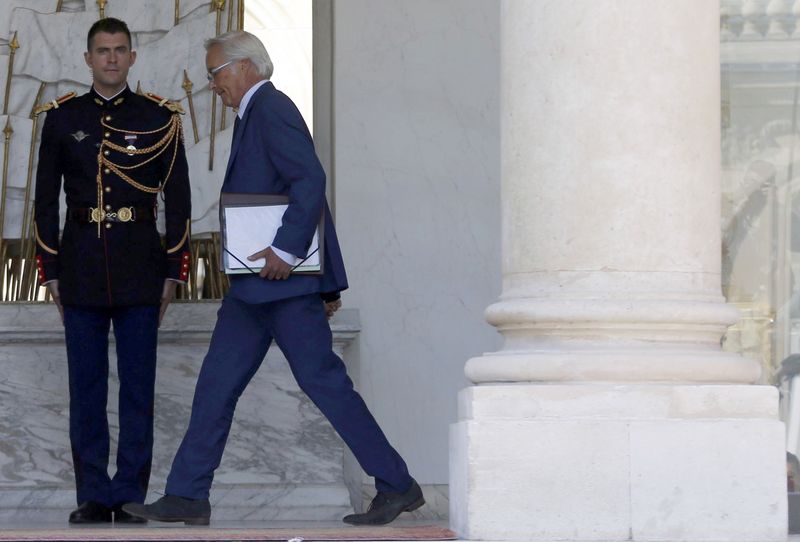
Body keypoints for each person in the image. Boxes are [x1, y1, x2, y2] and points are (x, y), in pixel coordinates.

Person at [124, 30, 423, 526]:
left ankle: (397, 484)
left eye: (216, 73)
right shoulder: (253, 113)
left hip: (281, 287)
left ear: (246, 67)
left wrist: (287, 250)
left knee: (324, 384)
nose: (212, 85)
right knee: (216, 385)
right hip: (253, 289)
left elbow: (310, 180)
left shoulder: (272, 107)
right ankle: (187, 494)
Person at [33, 17, 191, 524]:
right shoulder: (61, 119)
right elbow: (43, 202)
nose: (112, 58)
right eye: (102, 50)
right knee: (87, 389)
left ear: (132, 56)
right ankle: (93, 495)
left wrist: (173, 270)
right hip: (79, 269)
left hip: (142, 269)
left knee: (138, 389)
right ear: (87, 59)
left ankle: (128, 495)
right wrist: (50, 267)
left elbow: (180, 202)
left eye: (120, 50)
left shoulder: (159, 118)